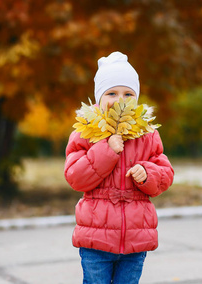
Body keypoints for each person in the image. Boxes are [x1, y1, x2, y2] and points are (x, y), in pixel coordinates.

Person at [64, 51, 174, 284]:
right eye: (112, 93)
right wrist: (107, 150)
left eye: (128, 93)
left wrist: (147, 173)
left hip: (135, 239)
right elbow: (75, 177)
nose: (120, 99)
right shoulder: (85, 132)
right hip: (96, 239)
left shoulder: (147, 134)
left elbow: (165, 174)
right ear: (98, 98)